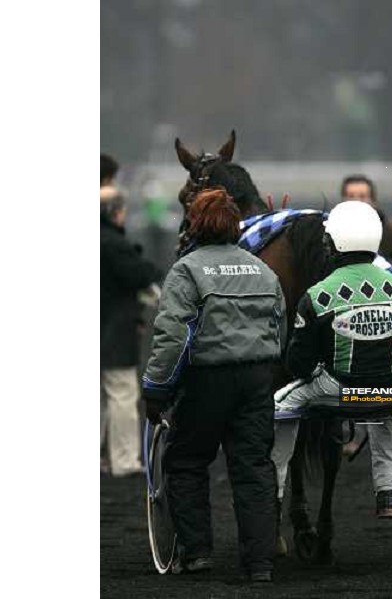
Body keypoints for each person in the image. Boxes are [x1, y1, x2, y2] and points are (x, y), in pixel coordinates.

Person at [142, 187, 286, 582]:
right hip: (258, 380)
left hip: (207, 380)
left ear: (195, 223)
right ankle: (260, 565)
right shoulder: (263, 270)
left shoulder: (186, 270)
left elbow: (173, 336)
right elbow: (281, 326)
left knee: (186, 462)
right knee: (254, 468)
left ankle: (198, 552)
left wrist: (156, 389)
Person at [271, 201, 392, 519]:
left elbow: (298, 364)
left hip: (338, 390)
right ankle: (389, 492)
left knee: (278, 406)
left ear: (336, 244)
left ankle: (274, 490)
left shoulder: (317, 296)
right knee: (389, 402)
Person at [101, 187, 162, 476]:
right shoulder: (113, 242)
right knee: (123, 393)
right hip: (114, 332)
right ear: (115, 212)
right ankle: (124, 460)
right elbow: (141, 274)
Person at [341, 174, 392, 280]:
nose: (356, 201)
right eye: (351, 196)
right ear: (343, 199)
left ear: (373, 200)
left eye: (362, 196)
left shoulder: (389, 229)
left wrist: (382, 266)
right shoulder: (328, 229)